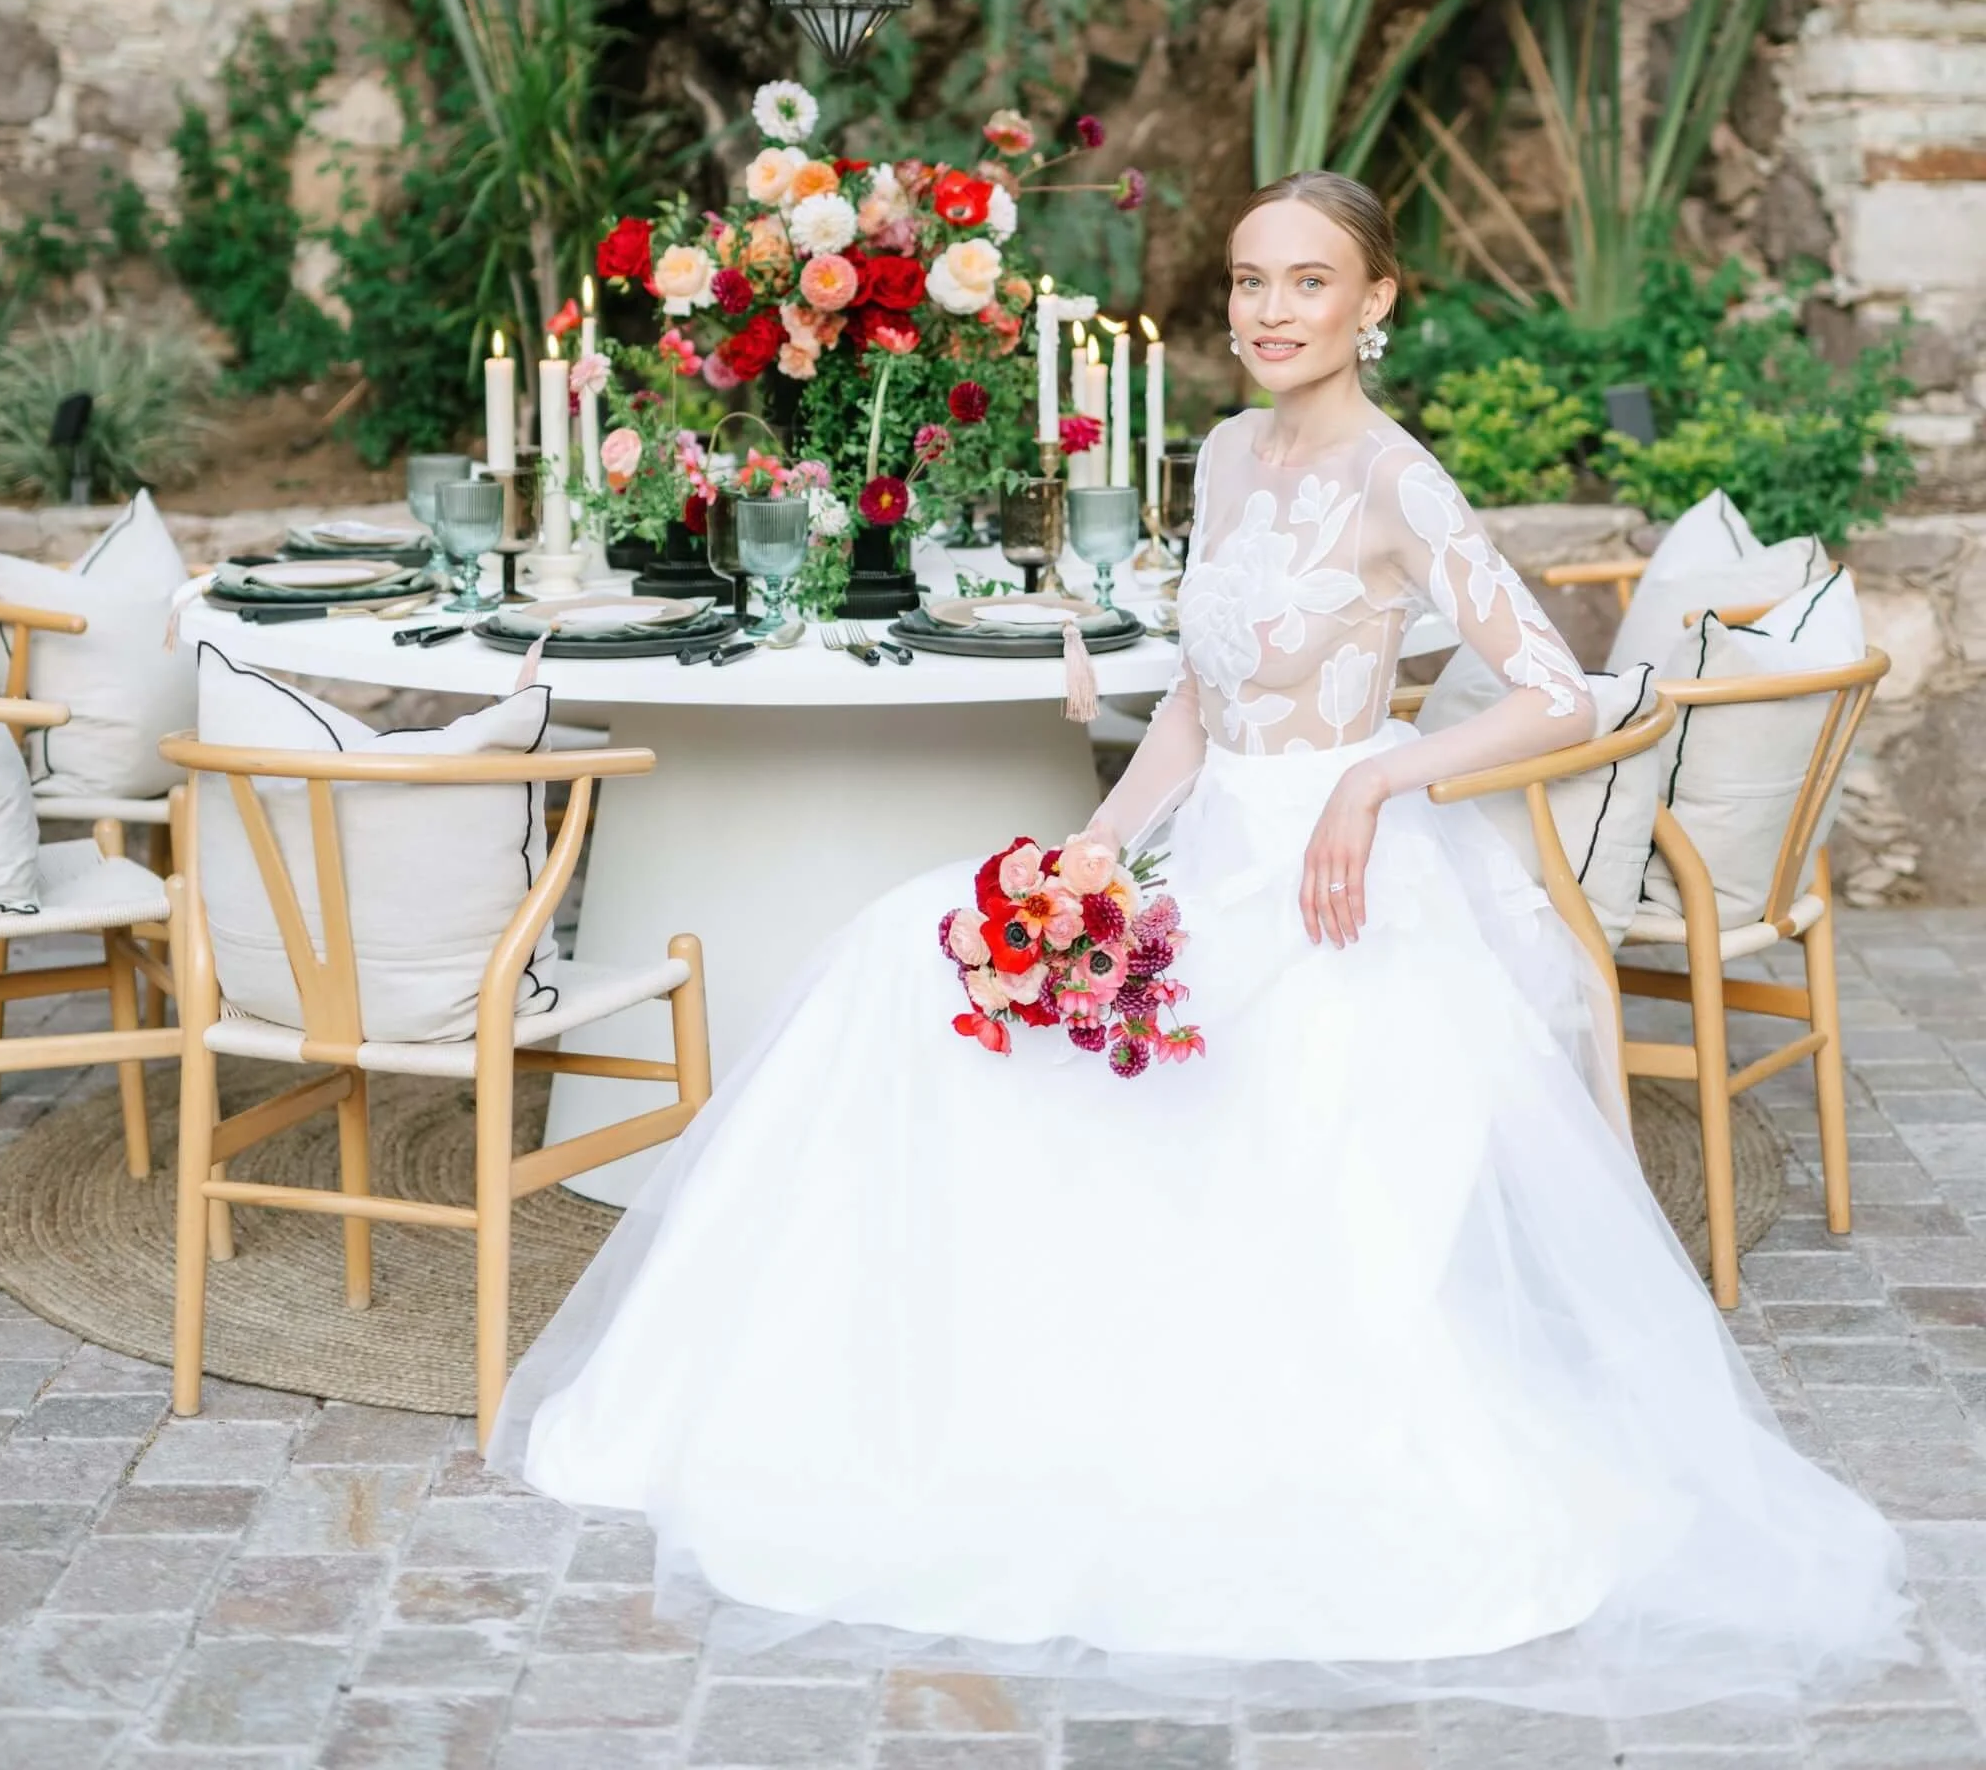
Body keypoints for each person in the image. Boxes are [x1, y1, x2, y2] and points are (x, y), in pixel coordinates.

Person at [491, 171, 1910, 1718]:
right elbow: (1193, 697)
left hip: (1328, 885)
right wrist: (1101, 847)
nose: (1270, 311)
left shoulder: (1395, 478)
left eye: (1309, 283)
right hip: (1203, 848)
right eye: (1247, 282)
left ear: (1377, 305)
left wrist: (1376, 778)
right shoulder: (1229, 454)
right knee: (907, 952)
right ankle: (907, 1393)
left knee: (1184, 1120)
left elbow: (1561, 694)